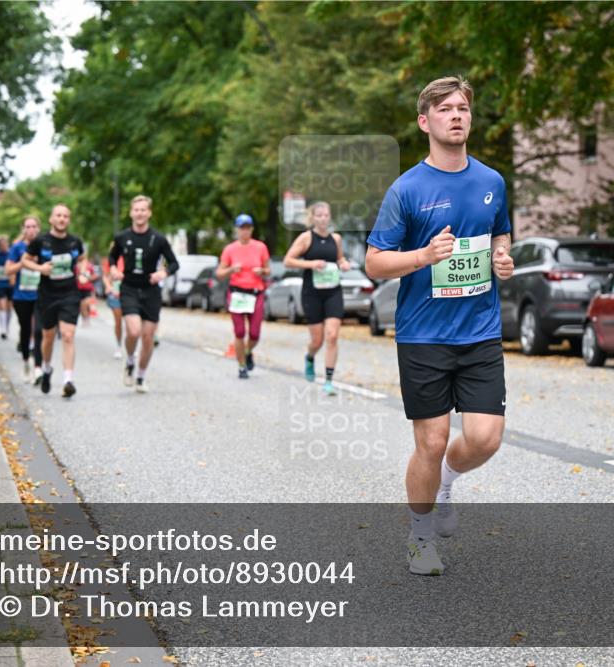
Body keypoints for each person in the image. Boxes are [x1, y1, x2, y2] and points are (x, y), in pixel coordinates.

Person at [365, 76, 516, 576]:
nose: (458, 115)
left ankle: (447, 480)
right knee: (428, 442)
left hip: (479, 331)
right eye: (446, 108)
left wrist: (502, 259)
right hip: (423, 335)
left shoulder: (491, 182)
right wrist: (423, 256)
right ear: (424, 121)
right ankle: (420, 536)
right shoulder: (406, 189)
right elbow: (375, 263)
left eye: (464, 108)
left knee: (486, 438)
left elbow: (501, 235)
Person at [107, 195, 179, 393]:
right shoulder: (122, 237)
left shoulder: (158, 239)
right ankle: (130, 360)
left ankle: (140, 376)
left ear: (149, 213)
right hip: (129, 288)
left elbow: (173, 263)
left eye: (143, 210)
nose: (139, 213)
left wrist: (163, 272)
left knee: (148, 337)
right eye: (136, 210)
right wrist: (113, 268)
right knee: (134, 331)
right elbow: (112, 256)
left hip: (151, 290)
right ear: (131, 213)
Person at [283, 201, 352, 395]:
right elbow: (288, 260)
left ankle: (328, 380)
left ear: (330, 217)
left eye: (326, 215)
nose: (323, 218)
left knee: (332, 336)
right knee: (317, 340)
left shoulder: (336, 238)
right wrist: (311, 264)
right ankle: (310, 356)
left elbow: (340, 258)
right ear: (312, 218)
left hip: (333, 291)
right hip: (312, 293)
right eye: (319, 215)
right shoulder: (305, 238)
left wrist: (344, 263)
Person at [21, 204, 86, 398]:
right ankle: (47, 368)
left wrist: (82, 271)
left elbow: (82, 258)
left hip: (69, 294)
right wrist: (40, 269)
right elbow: (25, 260)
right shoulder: (41, 241)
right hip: (47, 295)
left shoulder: (75, 242)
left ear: (69, 220)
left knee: (68, 335)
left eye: (65, 216)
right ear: (51, 219)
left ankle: (68, 380)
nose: (62, 219)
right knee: (48, 337)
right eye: (58, 215)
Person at [217, 214, 270, 379]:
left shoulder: (260, 247)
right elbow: (219, 273)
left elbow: (268, 271)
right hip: (237, 293)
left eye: (248, 228)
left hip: (255, 293)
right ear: (237, 230)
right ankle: (241, 366)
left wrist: (262, 271)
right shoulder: (230, 249)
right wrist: (232, 269)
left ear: (252, 229)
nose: (245, 231)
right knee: (239, 332)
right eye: (242, 228)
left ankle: (247, 352)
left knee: (254, 333)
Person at [6, 217, 44, 383]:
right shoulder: (17, 248)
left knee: (38, 330)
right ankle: (26, 362)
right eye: (28, 226)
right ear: (23, 229)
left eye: (34, 226)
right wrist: (24, 263)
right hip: (21, 295)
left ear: (39, 228)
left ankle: (38, 367)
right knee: (26, 329)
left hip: (41, 294)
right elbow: (8, 270)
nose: (31, 229)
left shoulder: (45, 246)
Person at [101, 242, 125, 359]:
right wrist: (109, 287)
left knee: (132, 323)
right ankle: (119, 346)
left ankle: (132, 346)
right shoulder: (109, 261)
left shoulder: (127, 258)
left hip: (128, 294)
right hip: (115, 294)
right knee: (118, 321)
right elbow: (105, 276)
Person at [76, 253, 97, 325]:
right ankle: (84, 317)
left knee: (85, 303)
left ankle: (86, 317)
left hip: (87, 288)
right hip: (78, 289)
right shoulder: (75, 266)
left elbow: (95, 275)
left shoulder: (89, 266)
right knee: (82, 305)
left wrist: (89, 278)